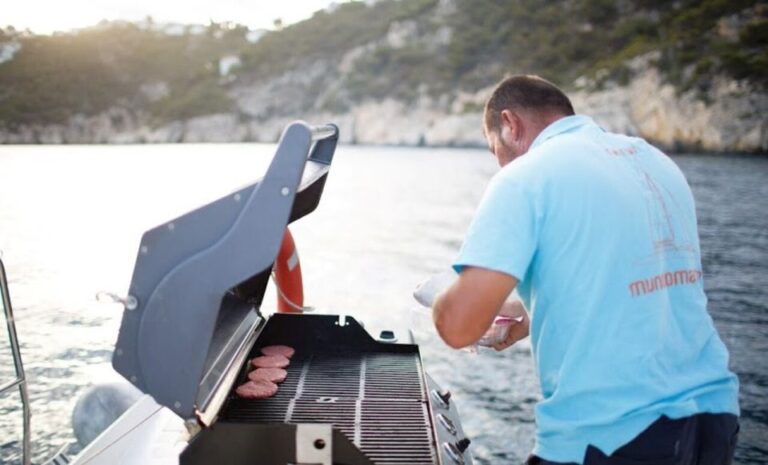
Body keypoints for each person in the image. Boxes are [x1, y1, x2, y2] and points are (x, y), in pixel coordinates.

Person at [432, 75, 740, 465]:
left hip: (611, 434)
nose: (499, 160)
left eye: (495, 148)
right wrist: (527, 317)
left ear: (509, 124)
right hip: (711, 419)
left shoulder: (524, 177)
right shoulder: (653, 161)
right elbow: (630, 277)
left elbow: (458, 327)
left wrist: (436, 299)